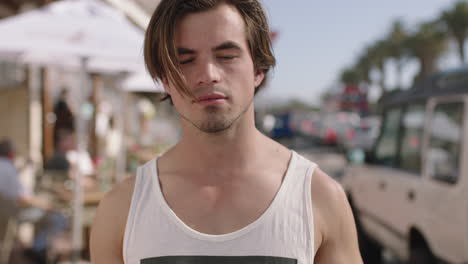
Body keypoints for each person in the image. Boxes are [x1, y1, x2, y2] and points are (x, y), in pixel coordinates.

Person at [90, 1, 363, 263]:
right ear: (164, 80)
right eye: (185, 60)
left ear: (258, 68)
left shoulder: (319, 197)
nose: (208, 74)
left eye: (226, 56)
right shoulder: (122, 209)